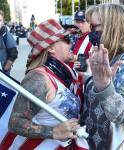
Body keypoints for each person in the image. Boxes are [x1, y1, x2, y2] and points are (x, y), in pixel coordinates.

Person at [6, 19, 88, 150]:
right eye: (66, 39)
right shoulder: (38, 78)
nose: (71, 43)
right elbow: (15, 122)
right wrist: (54, 132)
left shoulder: (65, 73)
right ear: (50, 48)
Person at [79, 4, 124, 150]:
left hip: (111, 144)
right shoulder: (108, 56)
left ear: (111, 27)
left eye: (94, 26)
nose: (91, 31)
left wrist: (103, 86)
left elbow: (122, 115)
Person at [0, 10, 18, 75]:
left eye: (0, 20)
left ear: (3, 22)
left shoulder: (6, 35)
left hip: (2, 77)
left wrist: (5, 70)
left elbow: (13, 54)